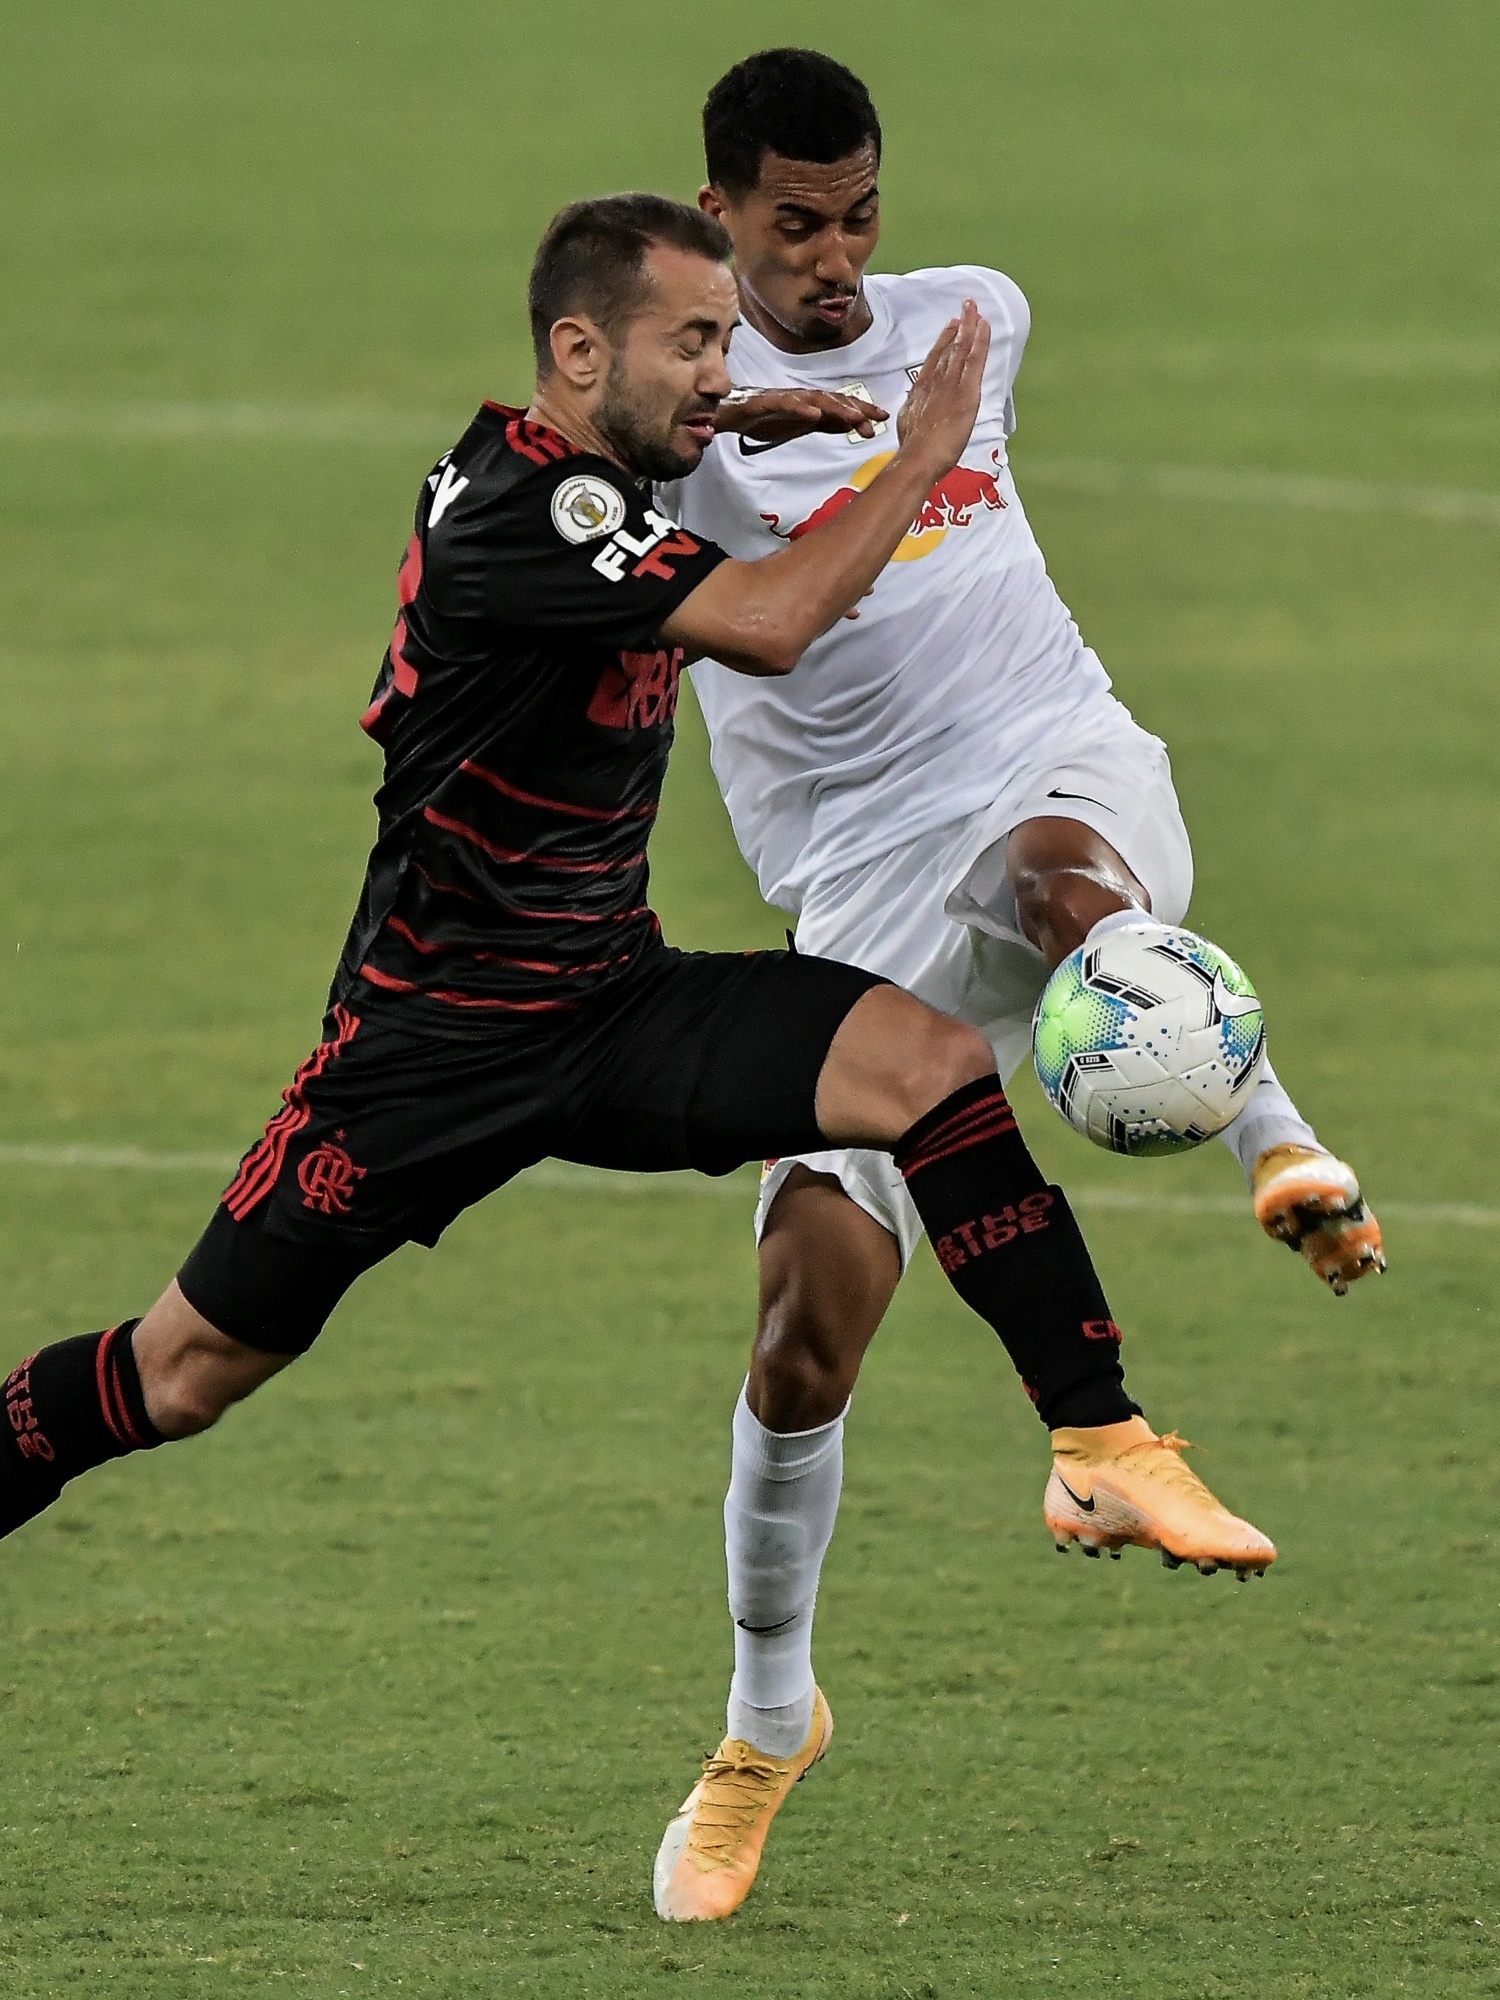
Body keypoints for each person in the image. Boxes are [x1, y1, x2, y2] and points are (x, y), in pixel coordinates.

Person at [0, 193, 1270, 1916]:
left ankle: (1104, 1441)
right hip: (427, 1051)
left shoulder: (571, 470)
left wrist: (737, 417)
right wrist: (922, 451)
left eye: (726, 344)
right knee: (181, 1375)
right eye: (693, 341)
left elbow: (648, 488)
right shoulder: (522, 516)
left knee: (926, 1070)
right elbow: (760, 623)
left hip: (608, 1002)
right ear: (578, 351)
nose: (723, 366)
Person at [650, 49, 1386, 1922]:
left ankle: (1275, 1146)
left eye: (858, 216)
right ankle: (764, 1726)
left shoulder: (972, 315)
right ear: (720, 211)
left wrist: (907, 387)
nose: (837, 259)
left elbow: (942, 406)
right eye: (795, 224)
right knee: (803, 1335)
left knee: (1068, 887)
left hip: (1049, 755)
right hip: (860, 887)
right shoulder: (674, 421)